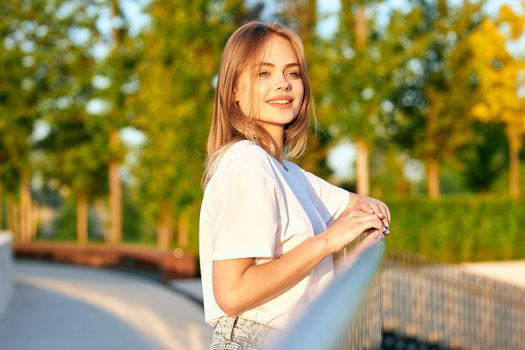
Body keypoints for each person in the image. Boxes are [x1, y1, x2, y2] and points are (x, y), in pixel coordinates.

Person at [199, 21, 391, 350]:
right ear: (233, 90)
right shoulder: (248, 164)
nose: (283, 84)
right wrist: (328, 241)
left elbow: (365, 207)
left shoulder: (288, 173)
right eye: (264, 73)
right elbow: (232, 293)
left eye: (292, 73)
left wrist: (354, 246)